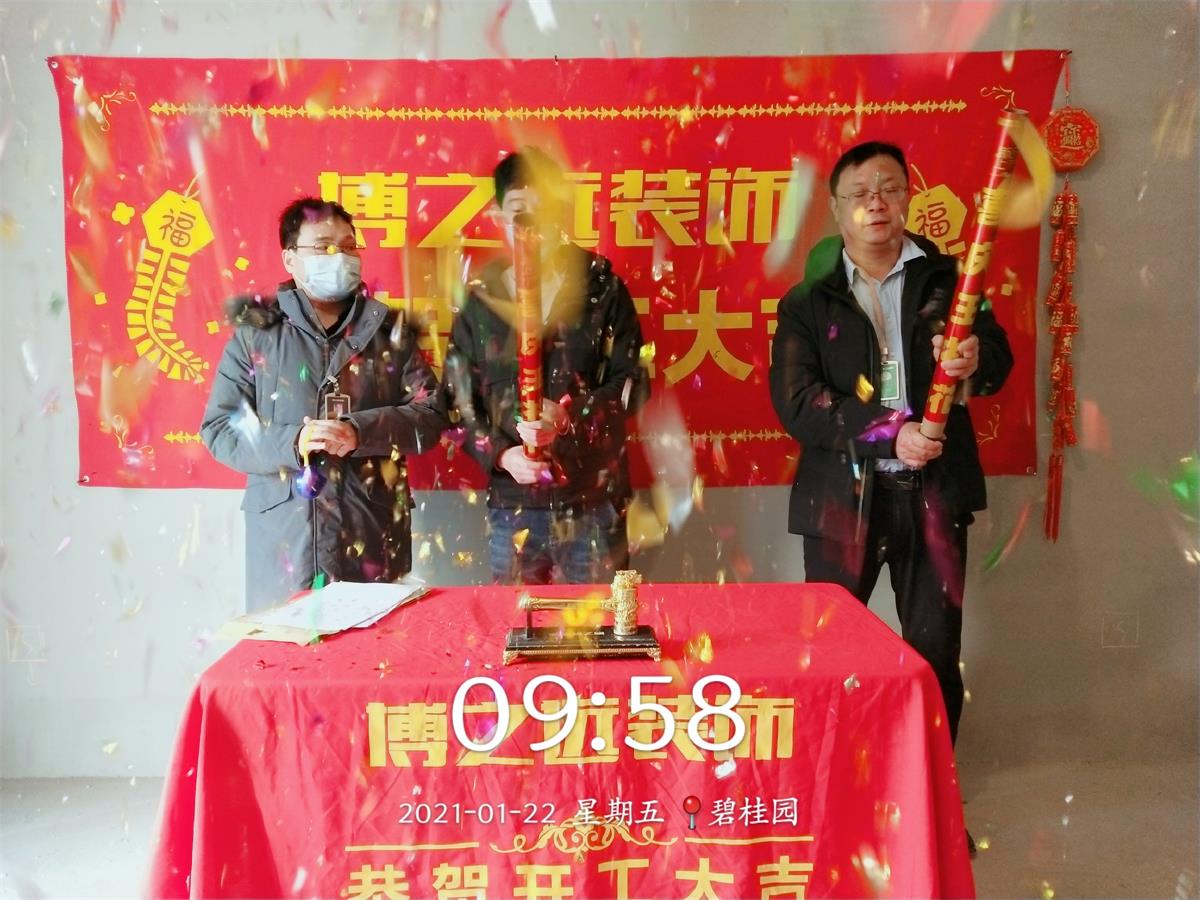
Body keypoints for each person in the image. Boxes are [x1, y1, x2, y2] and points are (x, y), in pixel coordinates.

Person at [769, 141, 1013, 749]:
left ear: (907, 196)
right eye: (859, 193)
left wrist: (975, 360)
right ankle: (828, 781)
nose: (875, 203)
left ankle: (926, 787)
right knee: (827, 651)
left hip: (934, 492)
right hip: (841, 498)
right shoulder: (807, 300)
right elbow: (797, 401)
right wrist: (889, 432)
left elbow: (997, 363)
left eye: (888, 189)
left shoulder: (952, 281)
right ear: (836, 208)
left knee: (934, 652)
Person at [201, 197, 446, 610]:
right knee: (288, 645)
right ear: (290, 259)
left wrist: (360, 432)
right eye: (323, 246)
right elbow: (220, 428)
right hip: (285, 541)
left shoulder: (389, 332)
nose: (339, 257)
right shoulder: (256, 334)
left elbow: (432, 415)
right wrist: (293, 441)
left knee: (374, 643)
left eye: (349, 246)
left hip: (370, 531)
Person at [444, 148, 645, 584]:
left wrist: (572, 416)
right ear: (499, 215)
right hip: (513, 507)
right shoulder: (479, 301)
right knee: (517, 621)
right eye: (520, 209)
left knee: (602, 623)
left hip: (594, 501)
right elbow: (457, 403)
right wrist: (502, 455)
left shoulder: (602, 288)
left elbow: (633, 384)